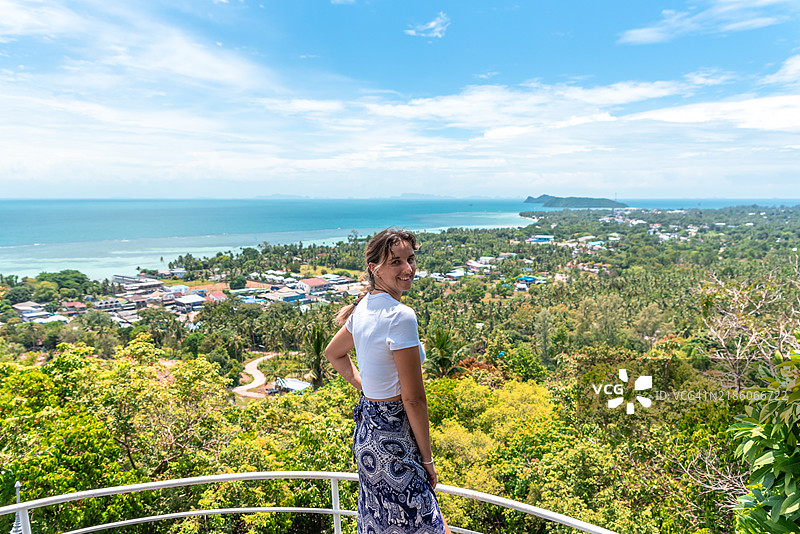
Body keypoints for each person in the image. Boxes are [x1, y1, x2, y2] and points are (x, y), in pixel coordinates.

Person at [325, 227, 452, 534]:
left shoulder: (364, 306)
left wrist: (366, 387)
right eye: (396, 262)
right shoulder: (400, 316)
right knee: (424, 521)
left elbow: (333, 354)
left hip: (368, 431)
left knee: (384, 519)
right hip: (394, 436)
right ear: (374, 268)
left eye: (410, 259)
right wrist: (428, 459)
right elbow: (413, 399)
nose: (408, 269)